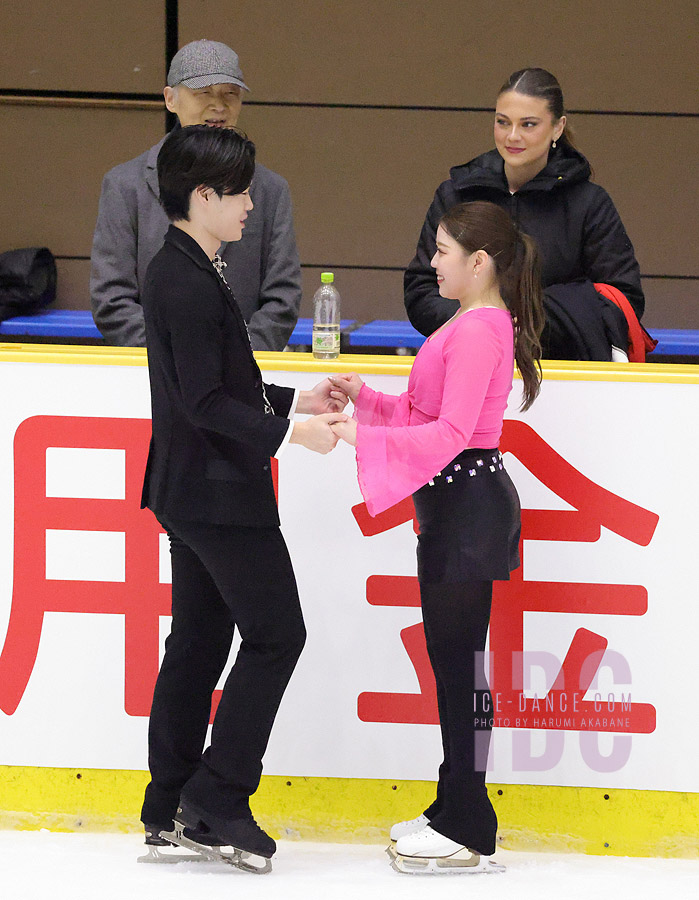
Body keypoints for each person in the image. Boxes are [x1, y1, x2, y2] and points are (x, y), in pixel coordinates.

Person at [139, 124, 347, 870]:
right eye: (239, 192)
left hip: (190, 488)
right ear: (203, 196)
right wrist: (292, 436)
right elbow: (203, 402)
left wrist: (296, 400)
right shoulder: (186, 279)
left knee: (197, 642)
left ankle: (168, 803)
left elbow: (225, 384)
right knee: (275, 635)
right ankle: (218, 797)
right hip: (219, 493)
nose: (251, 205)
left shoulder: (187, 267)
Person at [329, 201, 544, 874]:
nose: (432, 262)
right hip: (454, 506)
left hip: (468, 507)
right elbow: (424, 413)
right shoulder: (468, 322)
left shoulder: (480, 329)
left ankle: (468, 822)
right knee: (452, 664)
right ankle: (453, 804)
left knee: (458, 667)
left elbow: (451, 435)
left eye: (442, 251)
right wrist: (366, 399)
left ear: (478, 263)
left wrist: (364, 435)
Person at [404, 67, 644, 361]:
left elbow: (623, 299)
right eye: (502, 122)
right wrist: (484, 328)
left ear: (558, 127)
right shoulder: (456, 194)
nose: (512, 136)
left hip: (565, 378)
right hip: (466, 363)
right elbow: (421, 289)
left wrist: (531, 324)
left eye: (528, 124)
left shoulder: (589, 203)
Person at [91, 39, 301, 351]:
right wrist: (174, 358)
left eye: (230, 93)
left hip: (246, 376)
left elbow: (282, 298)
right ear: (170, 99)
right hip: (150, 374)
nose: (219, 106)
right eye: (203, 93)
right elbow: (111, 299)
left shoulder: (270, 189)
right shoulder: (125, 185)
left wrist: (238, 360)